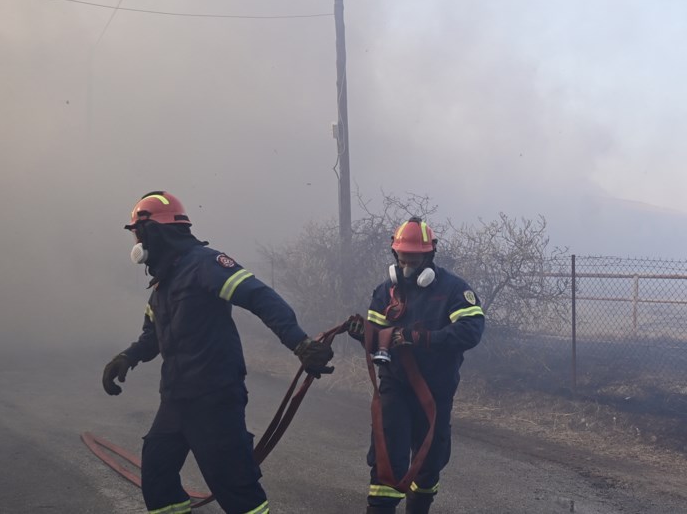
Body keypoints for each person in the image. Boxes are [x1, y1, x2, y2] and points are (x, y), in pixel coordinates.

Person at [101, 191, 334, 514]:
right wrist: (126, 357)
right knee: (157, 476)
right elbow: (152, 336)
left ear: (155, 231)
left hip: (214, 398)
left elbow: (259, 296)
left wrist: (300, 343)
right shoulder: (162, 284)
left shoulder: (204, 264)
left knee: (235, 488)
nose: (137, 242)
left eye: (139, 232)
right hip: (175, 399)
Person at [348, 217, 485, 514]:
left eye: (414, 256)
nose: (407, 263)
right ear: (394, 254)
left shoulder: (453, 290)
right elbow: (375, 340)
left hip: (435, 391)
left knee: (430, 461)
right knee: (387, 462)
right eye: (402, 256)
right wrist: (366, 335)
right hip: (394, 387)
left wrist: (421, 338)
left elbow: (471, 331)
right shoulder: (387, 291)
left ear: (430, 254)